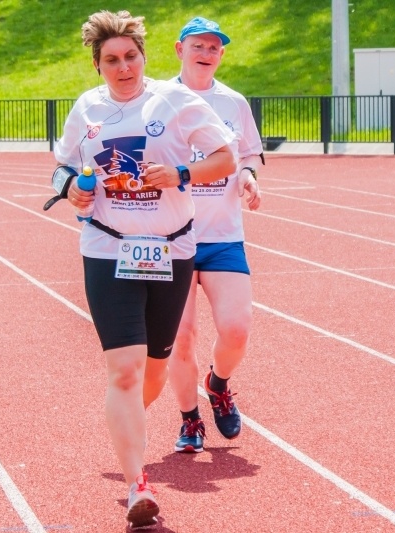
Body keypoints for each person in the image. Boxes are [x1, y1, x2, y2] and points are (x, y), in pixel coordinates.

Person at [56, 10, 235, 529]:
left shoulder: (176, 101)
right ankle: (138, 486)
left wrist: (180, 173)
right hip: (107, 248)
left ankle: (127, 415)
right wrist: (73, 188)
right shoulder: (87, 108)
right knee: (125, 369)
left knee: (154, 368)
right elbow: (63, 166)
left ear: (144, 57)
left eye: (130, 56)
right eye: (111, 60)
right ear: (97, 66)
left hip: (170, 250)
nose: (123, 67)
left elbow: (225, 157)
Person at [158, 16, 263, 454]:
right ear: (180, 49)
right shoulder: (157, 101)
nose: (206, 53)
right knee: (180, 338)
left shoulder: (233, 102)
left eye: (214, 47)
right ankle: (190, 420)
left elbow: (250, 153)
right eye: (198, 45)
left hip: (222, 236)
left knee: (236, 329)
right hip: (171, 237)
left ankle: (218, 384)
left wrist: (249, 177)